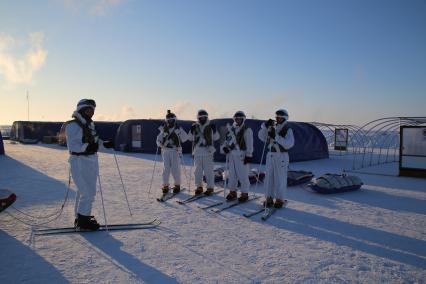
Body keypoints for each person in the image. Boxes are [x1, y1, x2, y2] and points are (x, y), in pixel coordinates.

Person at [65, 99, 114, 231]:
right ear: (81, 110)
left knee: (85, 191)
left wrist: (104, 144)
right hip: (79, 161)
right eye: (88, 110)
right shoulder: (73, 125)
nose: (91, 113)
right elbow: (73, 146)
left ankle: (81, 217)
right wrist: (88, 147)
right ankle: (83, 221)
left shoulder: (89, 125)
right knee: (87, 192)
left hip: (91, 161)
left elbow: (95, 142)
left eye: (92, 110)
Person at [258, 109, 294, 208]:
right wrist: (264, 127)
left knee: (280, 178)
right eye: (276, 117)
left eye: (280, 117)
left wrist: (276, 137)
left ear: (284, 118)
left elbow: (289, 144)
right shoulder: (272, 127)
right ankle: (268, 197)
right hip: (270, 155)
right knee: (269, 177)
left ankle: (279, 199)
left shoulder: (288, 129)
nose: (277, 119)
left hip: (281, 155)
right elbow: (261, 137)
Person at [220, 111, 254, 202]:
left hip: (241, 155)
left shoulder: (247, 129)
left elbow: (250, 143)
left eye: (240, 119)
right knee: (232, 175)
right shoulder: (231, 129)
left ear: (243, 119)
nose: (238, 120)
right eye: (236, 119)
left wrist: (249, 155)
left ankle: (244, 193)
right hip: (232, 156)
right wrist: (225, 148)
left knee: (243, 175)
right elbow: (226, 142)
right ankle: (232, 192)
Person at [187, 109, 220, 195]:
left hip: (208, 152)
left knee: (209, 171)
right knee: (197, 171)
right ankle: (199, 186)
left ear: (206, 117)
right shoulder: (195, 126)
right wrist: (191, 130)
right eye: (200, 118)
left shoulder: (210, 126)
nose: (202, 119)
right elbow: (190, 138)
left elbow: (216, 138)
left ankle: (210, 187)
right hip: (197, 151)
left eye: (204, 117)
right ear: (198, 118)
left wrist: (215, 130)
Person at [156, 110, 188, 195]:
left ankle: (177, 185)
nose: (170, 121)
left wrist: (179, 133)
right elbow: (158, 139)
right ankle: (165, 185)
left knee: (175, 169)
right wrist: (159, 143)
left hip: (175, 150)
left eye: (171, 119)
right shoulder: (164, 129)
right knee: (166, 169)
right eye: (168, 119)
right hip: (165, 151)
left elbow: (185, 138)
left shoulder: (178, 128)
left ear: (174, 119)